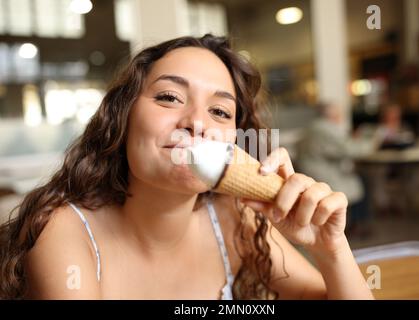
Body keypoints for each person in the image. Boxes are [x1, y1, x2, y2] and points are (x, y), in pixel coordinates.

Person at [0, 35, 373, 300]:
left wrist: (331, 249)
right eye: (169, 97)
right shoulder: (65, 231)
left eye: (220, 111)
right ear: (123, 118)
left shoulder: (235, 218)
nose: (197, 122)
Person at [296, 102, 381, 236]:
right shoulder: (325, 129)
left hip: (312, 174)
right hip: (325, 177)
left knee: (360, 177)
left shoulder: (311, 128)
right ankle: (357, 225)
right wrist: (374, 141)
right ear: (332, 115)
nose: (341, 117)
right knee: (363, 179)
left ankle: (354, 223)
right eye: (339, 113)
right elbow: (350, 149)